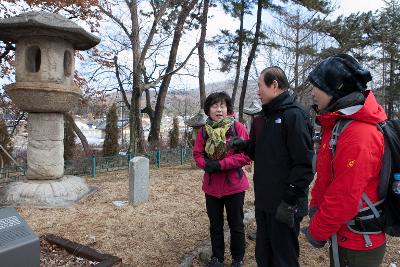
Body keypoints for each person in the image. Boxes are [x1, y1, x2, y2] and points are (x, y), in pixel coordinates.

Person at [303, 54, 387, 267]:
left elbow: (345, 197)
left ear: (336, 88)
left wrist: (317, 230)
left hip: (359, 242)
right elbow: (326, 177)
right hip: (345, 233)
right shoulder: (338, 125)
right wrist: (316, 208)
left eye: (317, 87)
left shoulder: (358, 134)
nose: (313, 93)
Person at [228, 66, 314, 266]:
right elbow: (263, 152)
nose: (258, 92)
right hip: (265, 201)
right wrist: (244, 146)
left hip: (285, 204)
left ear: (274, 85)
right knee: (264, 256)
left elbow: (304, 165)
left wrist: (289, 201)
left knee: (283, 259)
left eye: (260, 86)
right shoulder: (264, 117)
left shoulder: (294, 115)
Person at [193, 92, 251, 267]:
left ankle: (237, 258)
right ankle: (217, 257)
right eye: (215, 106)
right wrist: (205, 164)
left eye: (223, 106)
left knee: (236, 224)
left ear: (228, 108)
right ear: (208, 110)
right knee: (215, 224)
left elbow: (246, 156)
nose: (219, 109)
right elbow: (197, 154)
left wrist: (221, 164)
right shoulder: (204, 131)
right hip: (212, 187)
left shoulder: (237, 128)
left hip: (234, 186)